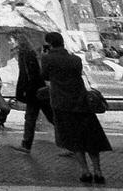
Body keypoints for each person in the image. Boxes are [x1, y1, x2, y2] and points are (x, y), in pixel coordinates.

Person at [39, 30, 110, 184]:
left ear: (49, 44)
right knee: (90, 136)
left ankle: (85, 170)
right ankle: (98, 170)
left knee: (74, 138)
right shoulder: (76, 59)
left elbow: (44, 76)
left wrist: (44, 54)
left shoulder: (47, 58)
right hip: (81, 101)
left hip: (62, 103)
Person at [8, 31, 45, 153]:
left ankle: (26, 145)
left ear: (18, 42)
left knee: (30, 118)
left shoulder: (24, 54)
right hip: (38, 89)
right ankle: (73, 143)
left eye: (11, 40)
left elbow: (26, 75)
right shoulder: (28, 53)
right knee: (49, 117)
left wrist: (22, 91)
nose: (9, 43)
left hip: (34, 91)